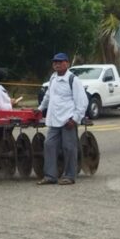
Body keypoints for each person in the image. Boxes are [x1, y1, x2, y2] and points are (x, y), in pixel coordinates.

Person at [36, 53, 89, 186]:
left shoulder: (73, 80)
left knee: (69, 148)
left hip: (68, 120)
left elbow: (83, 102)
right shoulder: (53, 78)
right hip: (54, 120)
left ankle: (70, 176)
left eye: (60, 62)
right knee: (49, 145)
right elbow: (48, 96)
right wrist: (40, 108)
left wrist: (75, 119)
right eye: (55, 62)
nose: (57, 64)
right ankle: (50, 176)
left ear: (67, 63)